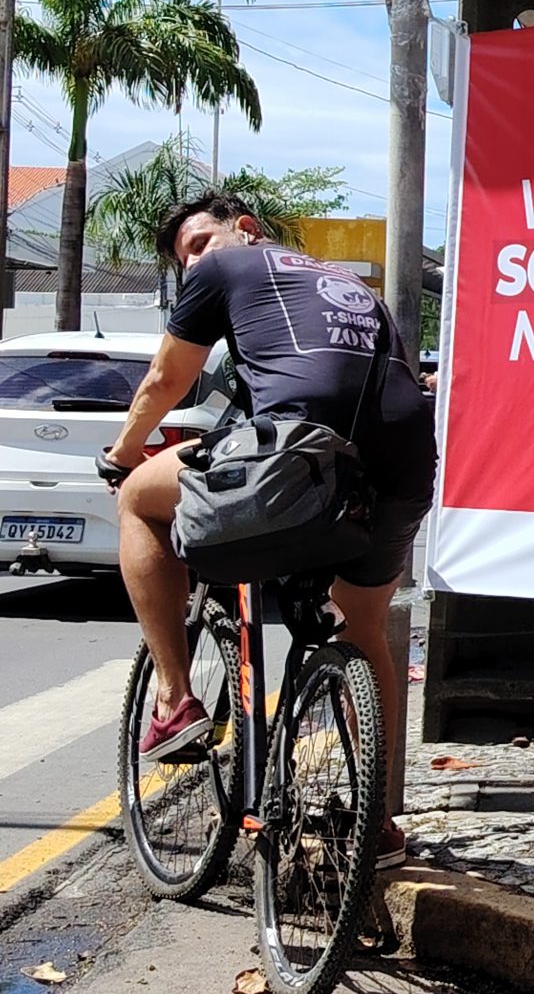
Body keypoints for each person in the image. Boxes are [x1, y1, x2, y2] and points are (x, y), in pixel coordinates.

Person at [104, 192, 438, 866]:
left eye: (198, 243)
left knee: (140, 500)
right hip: (404, 463)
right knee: (362, 627)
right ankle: (375, 824)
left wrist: (122, 452)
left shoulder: (221, 272)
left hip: (300, 453)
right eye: (185, 257)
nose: (193, 261)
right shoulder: (346, 283)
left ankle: (172, 700)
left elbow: (166, 378)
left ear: (243, 230)